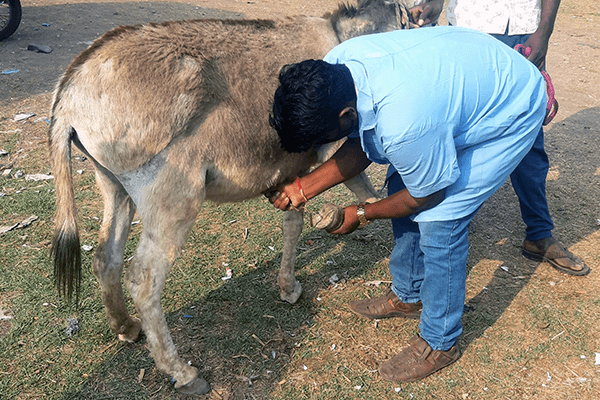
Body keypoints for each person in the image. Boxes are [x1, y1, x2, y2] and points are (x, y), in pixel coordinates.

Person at [268, 27, 547, 381]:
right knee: (401, 177)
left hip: (511, 102)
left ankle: (440, 340)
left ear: (343, 116)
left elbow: (425, 195)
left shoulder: (404, 123)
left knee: (441, 219)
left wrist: (361, 213)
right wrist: (302, 188)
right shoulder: (337, 66)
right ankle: (410, 293)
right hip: (460, 78)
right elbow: (360, 143)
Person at [411, 0, 590, 276]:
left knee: (529, 138)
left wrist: (545, 30)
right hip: (469, 28)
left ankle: (539, 234)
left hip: (524, 29)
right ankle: (449, 226)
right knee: (461, 131)